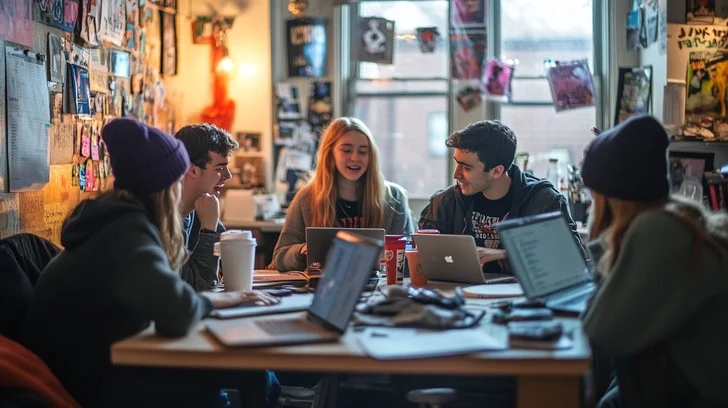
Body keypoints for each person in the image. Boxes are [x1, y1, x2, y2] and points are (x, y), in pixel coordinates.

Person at [24, 118, 279, 407]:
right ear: (164, 186)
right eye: (176, 180)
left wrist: (217, 300)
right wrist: (220, 301)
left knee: (242, 373)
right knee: (229, 381)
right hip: (85, 382)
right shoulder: (126, 232)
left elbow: (171, 297)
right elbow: (178, 312)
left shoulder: (119, 221)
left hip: (89, 365)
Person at [581, 115, 728, 407]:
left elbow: (601, 330)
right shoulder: (679, 218)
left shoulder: (658, 232)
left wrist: (600, 235)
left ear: (609, 196)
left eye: (593, 195)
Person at [419, 120, 585, 274]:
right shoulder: (445, 202)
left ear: (496, 171)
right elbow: (419, 258)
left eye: (467, 168)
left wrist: (505, 254)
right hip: (457, 298)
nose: (456, 175)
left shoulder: (544, 201)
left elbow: (574, 263)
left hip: (524, 300)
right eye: (457, 163)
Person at [270, 117, 415, 272]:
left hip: (380, 290)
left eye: (363, 152)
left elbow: (412, 259)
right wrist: (303, 250)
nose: (355, 158)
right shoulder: (306, 198)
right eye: (346, 150)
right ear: (330, 153)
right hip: (321, 288)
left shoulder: (395, 197)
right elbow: (279, 258)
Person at [175, 123, 238, 291]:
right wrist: (208, 231)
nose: (228, 175)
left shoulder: (201, 212)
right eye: (220, 168)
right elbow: (194, 288)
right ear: (192, 170)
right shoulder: (162, 220)